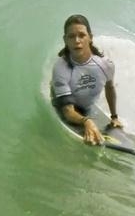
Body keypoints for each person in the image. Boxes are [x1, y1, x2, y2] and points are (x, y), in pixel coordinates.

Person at [51, 14, 122, 146]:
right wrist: (86, 121)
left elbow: (110, 87)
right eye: (71, 36)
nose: (77, 40)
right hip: (66, 105)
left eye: (82, 35)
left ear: (90, 38)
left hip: (86, 106)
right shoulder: (61, 68)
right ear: (65, 40)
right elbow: (67, 112)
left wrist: (114, 117)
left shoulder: (105, 64)